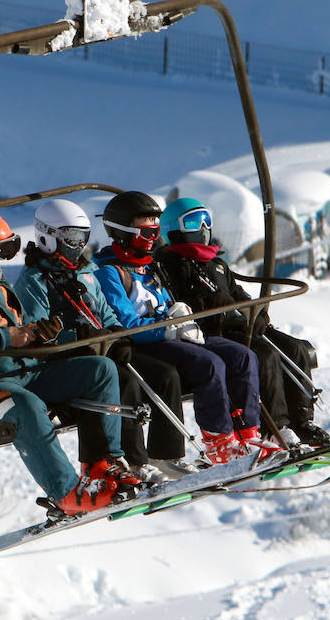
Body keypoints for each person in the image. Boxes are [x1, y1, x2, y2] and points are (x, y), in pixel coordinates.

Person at [0, 205, 142, 516]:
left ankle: (104, 467)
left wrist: (45, 336)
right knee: (25, 405)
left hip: (21, 372)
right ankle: (67, 494)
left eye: (1, 255)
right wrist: (10, 337)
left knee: (100, 370)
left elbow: (22, 330)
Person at [13, 198, 195, 483]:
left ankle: (168, 454)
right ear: (48, 236)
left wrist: (116, 337)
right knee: (125, 383)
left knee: (163, 373)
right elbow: (38, 332)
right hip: (68, 360)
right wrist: (77, 336)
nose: (76, 245)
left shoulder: (85, 273)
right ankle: (134, 461)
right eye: (70, 238)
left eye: (82, 238)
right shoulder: (34, 280)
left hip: (101, 351)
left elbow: (106, 314)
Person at [92, 191, 277, 465]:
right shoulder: (110, 272)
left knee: (241, 356)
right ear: (122, 233)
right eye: (146, 233)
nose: (154, 239)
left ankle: (247, 433)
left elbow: (168, 301)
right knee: (209, 364)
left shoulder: (150, 266)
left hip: (175, 333)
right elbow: (126, 322)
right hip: (149, 342)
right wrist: (167, 327)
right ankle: (219, 441)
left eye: (156, 232)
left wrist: (182, 315)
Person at [155, 197, 330, 448]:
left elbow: (240, 296)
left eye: (207, 220)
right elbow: (181, 308)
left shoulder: (216, 265)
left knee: (297, 348)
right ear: (173, 228)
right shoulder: (171, 267)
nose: (204, 228)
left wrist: (257, 315)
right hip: (216, 332)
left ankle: (302, 422)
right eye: (195, 222)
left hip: (240, 326)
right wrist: (223, 313)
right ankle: (276, 427)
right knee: (266, 356)